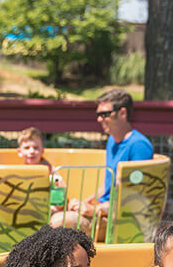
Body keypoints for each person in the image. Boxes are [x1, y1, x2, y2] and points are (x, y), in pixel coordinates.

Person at [51, 89, 153, 234]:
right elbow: (107, 185)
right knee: (51, 213)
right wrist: (84, 202)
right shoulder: (112, 141)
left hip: (119, 220)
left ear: (122, 113)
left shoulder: (139, 146)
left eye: (104, 114)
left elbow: (133, 198)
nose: (99, 119)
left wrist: (95, 209)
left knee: (59, 222)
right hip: (103, 211)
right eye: (98, 114)